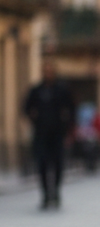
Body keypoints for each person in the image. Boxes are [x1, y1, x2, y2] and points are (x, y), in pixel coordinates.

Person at [23, 60, 75, 208]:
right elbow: (26, 108)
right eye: (45, 71)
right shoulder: (36, 90)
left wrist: (68, 129)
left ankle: (56, 192)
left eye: (50, 71)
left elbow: (71, 109)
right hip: (41, 134)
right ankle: (45, 194)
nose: (48, 74)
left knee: (58, 164)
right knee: (42, 165)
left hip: (58, 133)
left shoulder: (62, 89)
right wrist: (34, 119)